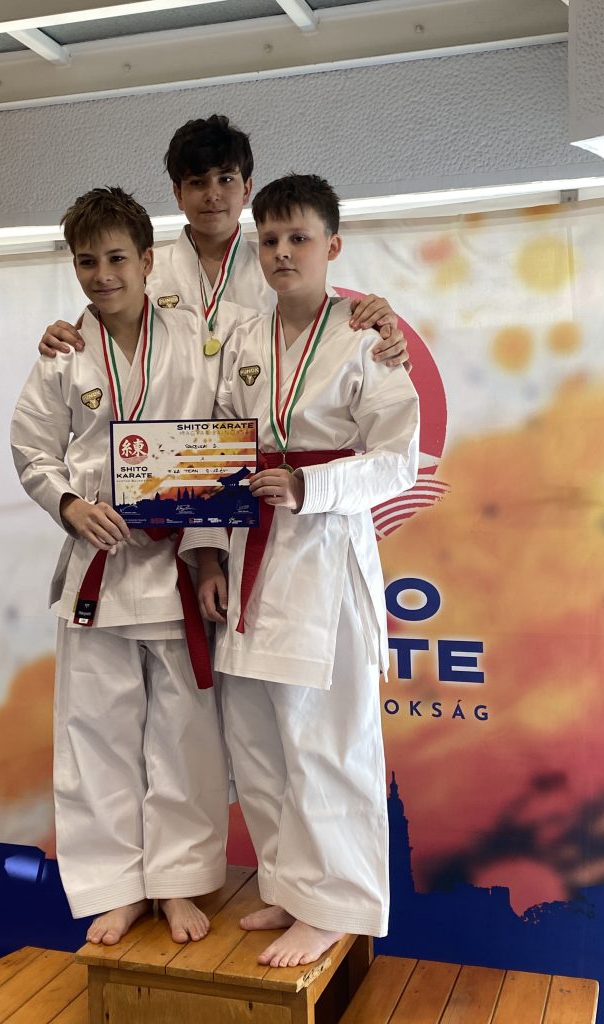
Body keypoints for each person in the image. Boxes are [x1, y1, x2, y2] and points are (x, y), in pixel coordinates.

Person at [187, 173, 420, 968]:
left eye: (299, 238)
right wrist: (207, 552)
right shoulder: (242, 341)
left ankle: (335, 904)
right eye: (270, 240)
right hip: (250, 552)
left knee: (325, 739)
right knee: (257, 739)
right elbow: (216, 451)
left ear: (332, 245)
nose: (283, 252)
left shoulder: (366, 338)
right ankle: (288, 885)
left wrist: (309, 486)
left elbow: (398, 460)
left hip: (322, 555)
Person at [10, 187, 244, 948]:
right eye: (87, 261)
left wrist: (205, 552)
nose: (102, 274)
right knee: (95, 734)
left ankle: (177, 883)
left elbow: (220, 440)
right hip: (99, 566)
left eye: (117, 258)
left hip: (173, 564)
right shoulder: (63, 352)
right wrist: (69, 504)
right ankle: (116, 888)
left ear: (148, 261)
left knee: (184, 734)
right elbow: (32, 448)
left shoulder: (198, 339)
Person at [37, 115, 409, 367]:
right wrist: (65, 338)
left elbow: (331, 332)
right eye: (197, 182)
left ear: (246, 188)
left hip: (257, 438)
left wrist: (379, 325)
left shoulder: (280, 269)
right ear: (178, 193)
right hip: (170, 440)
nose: (213, 194)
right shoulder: (144, 270)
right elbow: (102, 343)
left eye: (226, 180)